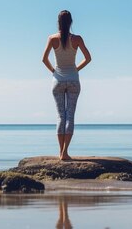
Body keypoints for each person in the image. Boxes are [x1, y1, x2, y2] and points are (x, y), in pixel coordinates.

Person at [42, 10, 92, 160]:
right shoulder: (77, 39)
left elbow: (44, 59)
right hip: (73, 81)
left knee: (60, 116)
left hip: (57, 80)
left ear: (58, 22)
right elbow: (88, 58)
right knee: (69, 116)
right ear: (71, 22)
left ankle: (60, 152)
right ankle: (65, 152)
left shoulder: (52, 38)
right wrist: (75, 69)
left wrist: (54, 71)